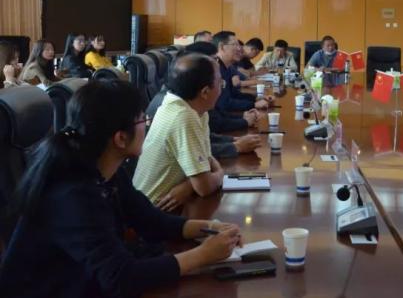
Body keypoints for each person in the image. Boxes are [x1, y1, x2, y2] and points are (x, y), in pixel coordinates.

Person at [0, 79, 241, 298]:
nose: (146, 126)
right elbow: (120, 277)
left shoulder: (104, 168)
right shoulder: (72, 193)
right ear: (121, 138)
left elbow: (151, 220)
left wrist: (209, 227)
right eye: (142, 120)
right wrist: (204, 255)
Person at [133, 53, 225, 205]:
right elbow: (205, 187)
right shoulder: (183, 116)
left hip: (171, 207)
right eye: (220, 82)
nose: (222, 87)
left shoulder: (194, 109)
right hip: (152, 211)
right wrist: (221, 174)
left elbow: (206, 159)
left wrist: (190, 184)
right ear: (205, 92)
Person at [213, 31, 269, 113]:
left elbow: (235, 94)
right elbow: (224, 103)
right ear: (222, 47)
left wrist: (256, 98)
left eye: (238, 45)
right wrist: (253, 105)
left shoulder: (228, 67)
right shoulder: (214, 69)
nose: (239, 48)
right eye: (235, 45)